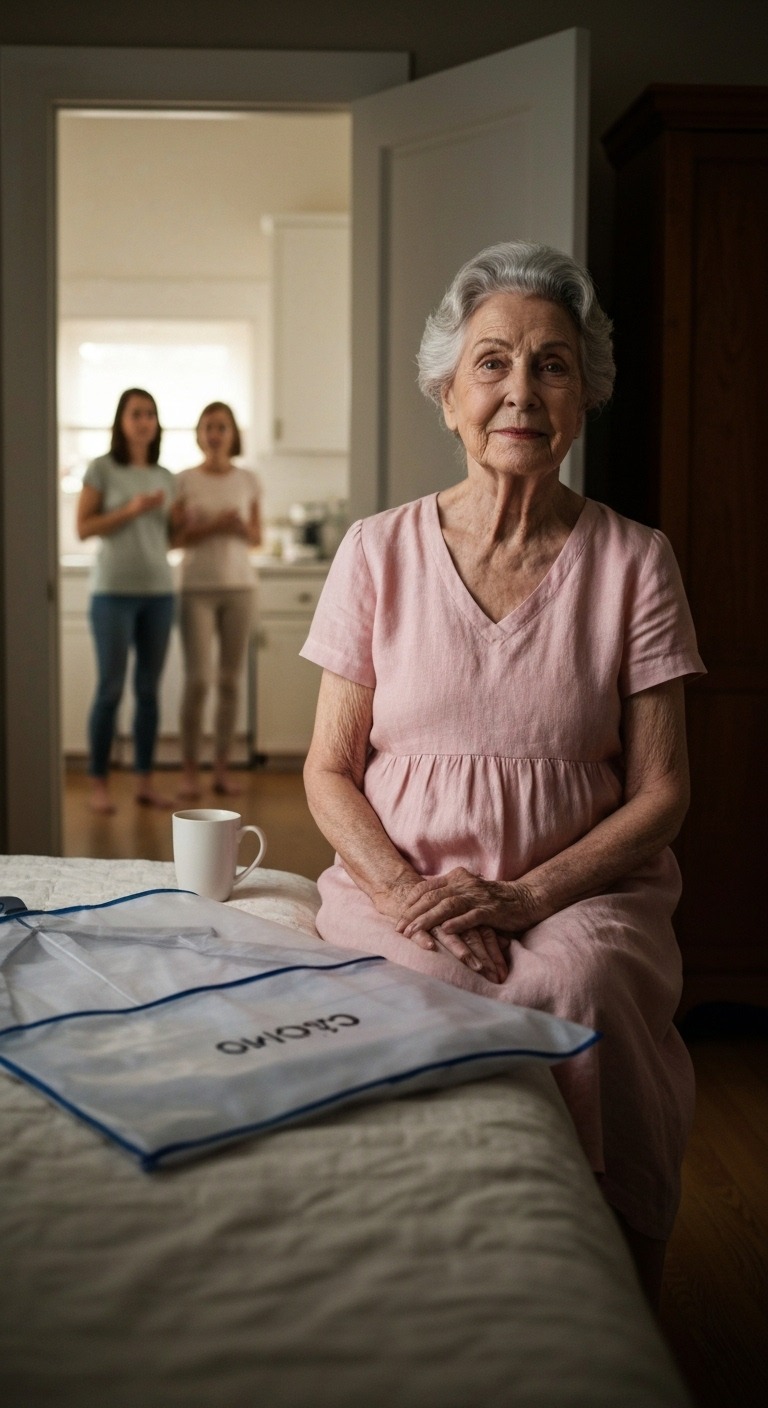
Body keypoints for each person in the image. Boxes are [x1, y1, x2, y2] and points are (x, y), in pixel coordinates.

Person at [300, 241, 705, 1306]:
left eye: (552, 365)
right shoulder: (376, 552)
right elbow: (330, 769)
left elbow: (663, 789)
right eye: (492, 363)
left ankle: (609, 1290)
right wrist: (402, 892)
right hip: (409, 886)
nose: (520, 391)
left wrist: (527, 894)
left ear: (586, 394)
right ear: (447, 393)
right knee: (433, 984)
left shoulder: (635, 560)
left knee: (577, 982)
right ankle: (435, 1270)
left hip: (580, 889)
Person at [77, 387, 176, 814]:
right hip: (112, 593)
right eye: (136, 413)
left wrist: (186, 523)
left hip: (159, 592)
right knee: (110, 689)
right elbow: (83, 527)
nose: (144, 421)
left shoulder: (166, 476)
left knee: (149, 691)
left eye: (150, 414)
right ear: (121, 421)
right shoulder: (101, 469)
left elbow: (170, 538)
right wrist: (132, 509)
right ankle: (99, 781)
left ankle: (143, 781)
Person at [170, 402, 262, 798]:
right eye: (208, 426)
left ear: (232, 434)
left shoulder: (248, 480)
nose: (215, 434)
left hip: (240, 587)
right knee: (198, 682)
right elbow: (174, 540)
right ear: (199, 433)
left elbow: (257, 539)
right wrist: (213, 525)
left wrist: (240, 527)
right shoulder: (183, 481)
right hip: (197, 588)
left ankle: (221, 769)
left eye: (221, 427)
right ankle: (190, 771)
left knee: (229, 682)